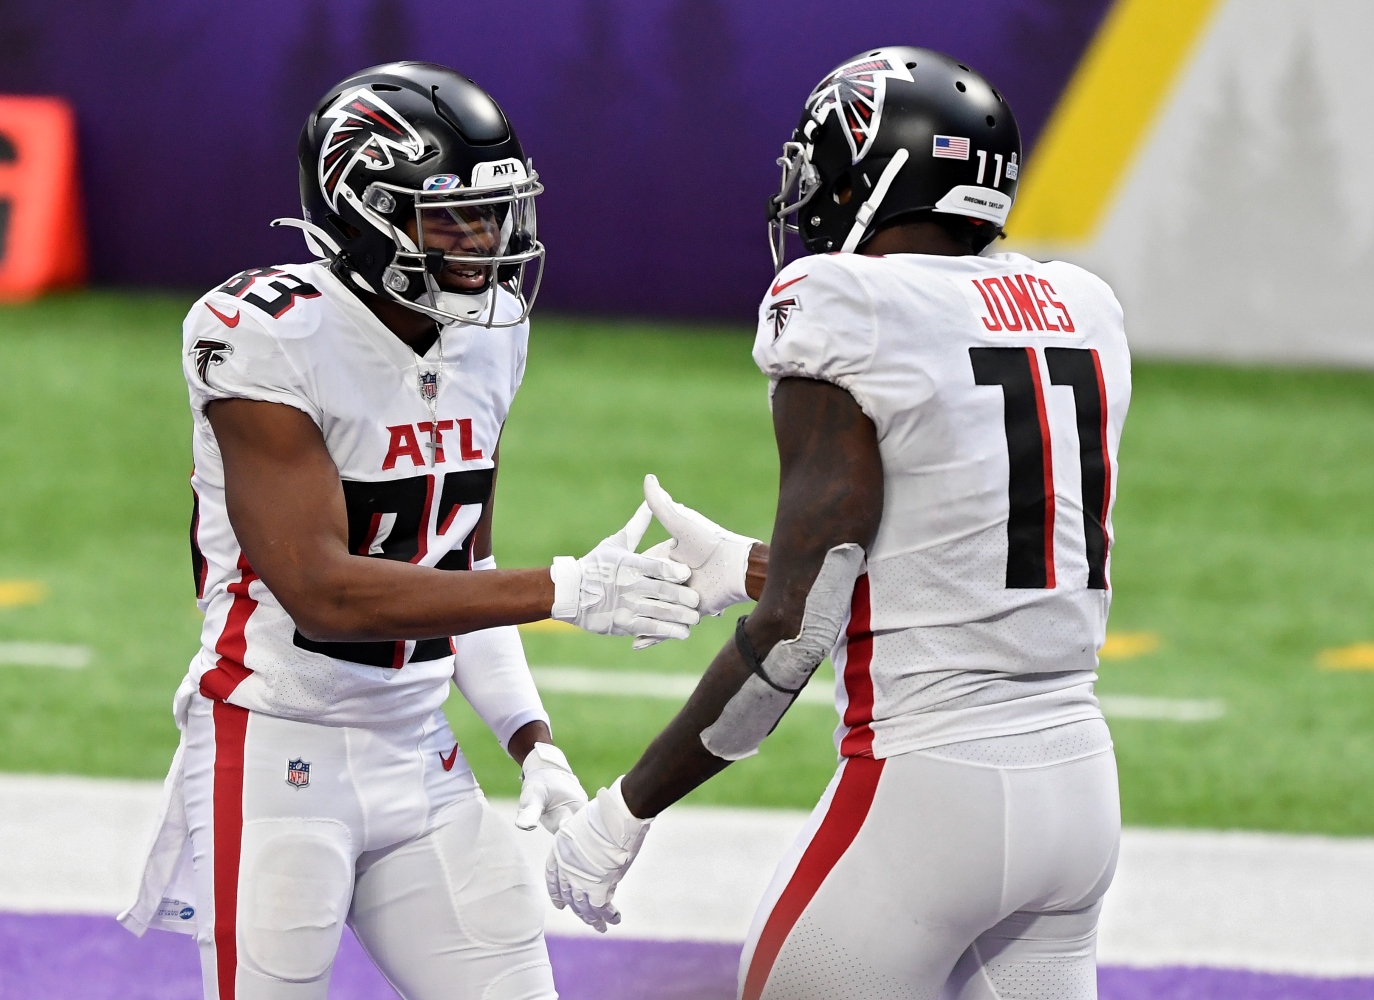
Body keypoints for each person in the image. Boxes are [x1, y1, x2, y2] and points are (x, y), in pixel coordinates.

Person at [545, 46, 1130, 1000]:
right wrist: (753, 566)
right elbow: (963, 552)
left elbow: (796, 633)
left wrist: (626, 808)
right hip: (1079, 785)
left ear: (881, 172)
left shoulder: (844, 302)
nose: (805, 197)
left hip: (931, 792)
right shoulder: (1085, 306)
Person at [117, 61, 702, 1000]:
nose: (484, 242)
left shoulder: (489, 329)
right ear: (361, 209)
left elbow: (458, 566)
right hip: (276, 745)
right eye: (451, 217)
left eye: (493, 213)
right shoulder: (264, 331)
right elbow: (324, 589)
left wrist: (529, 736)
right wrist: (566, 591)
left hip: (418, 753)